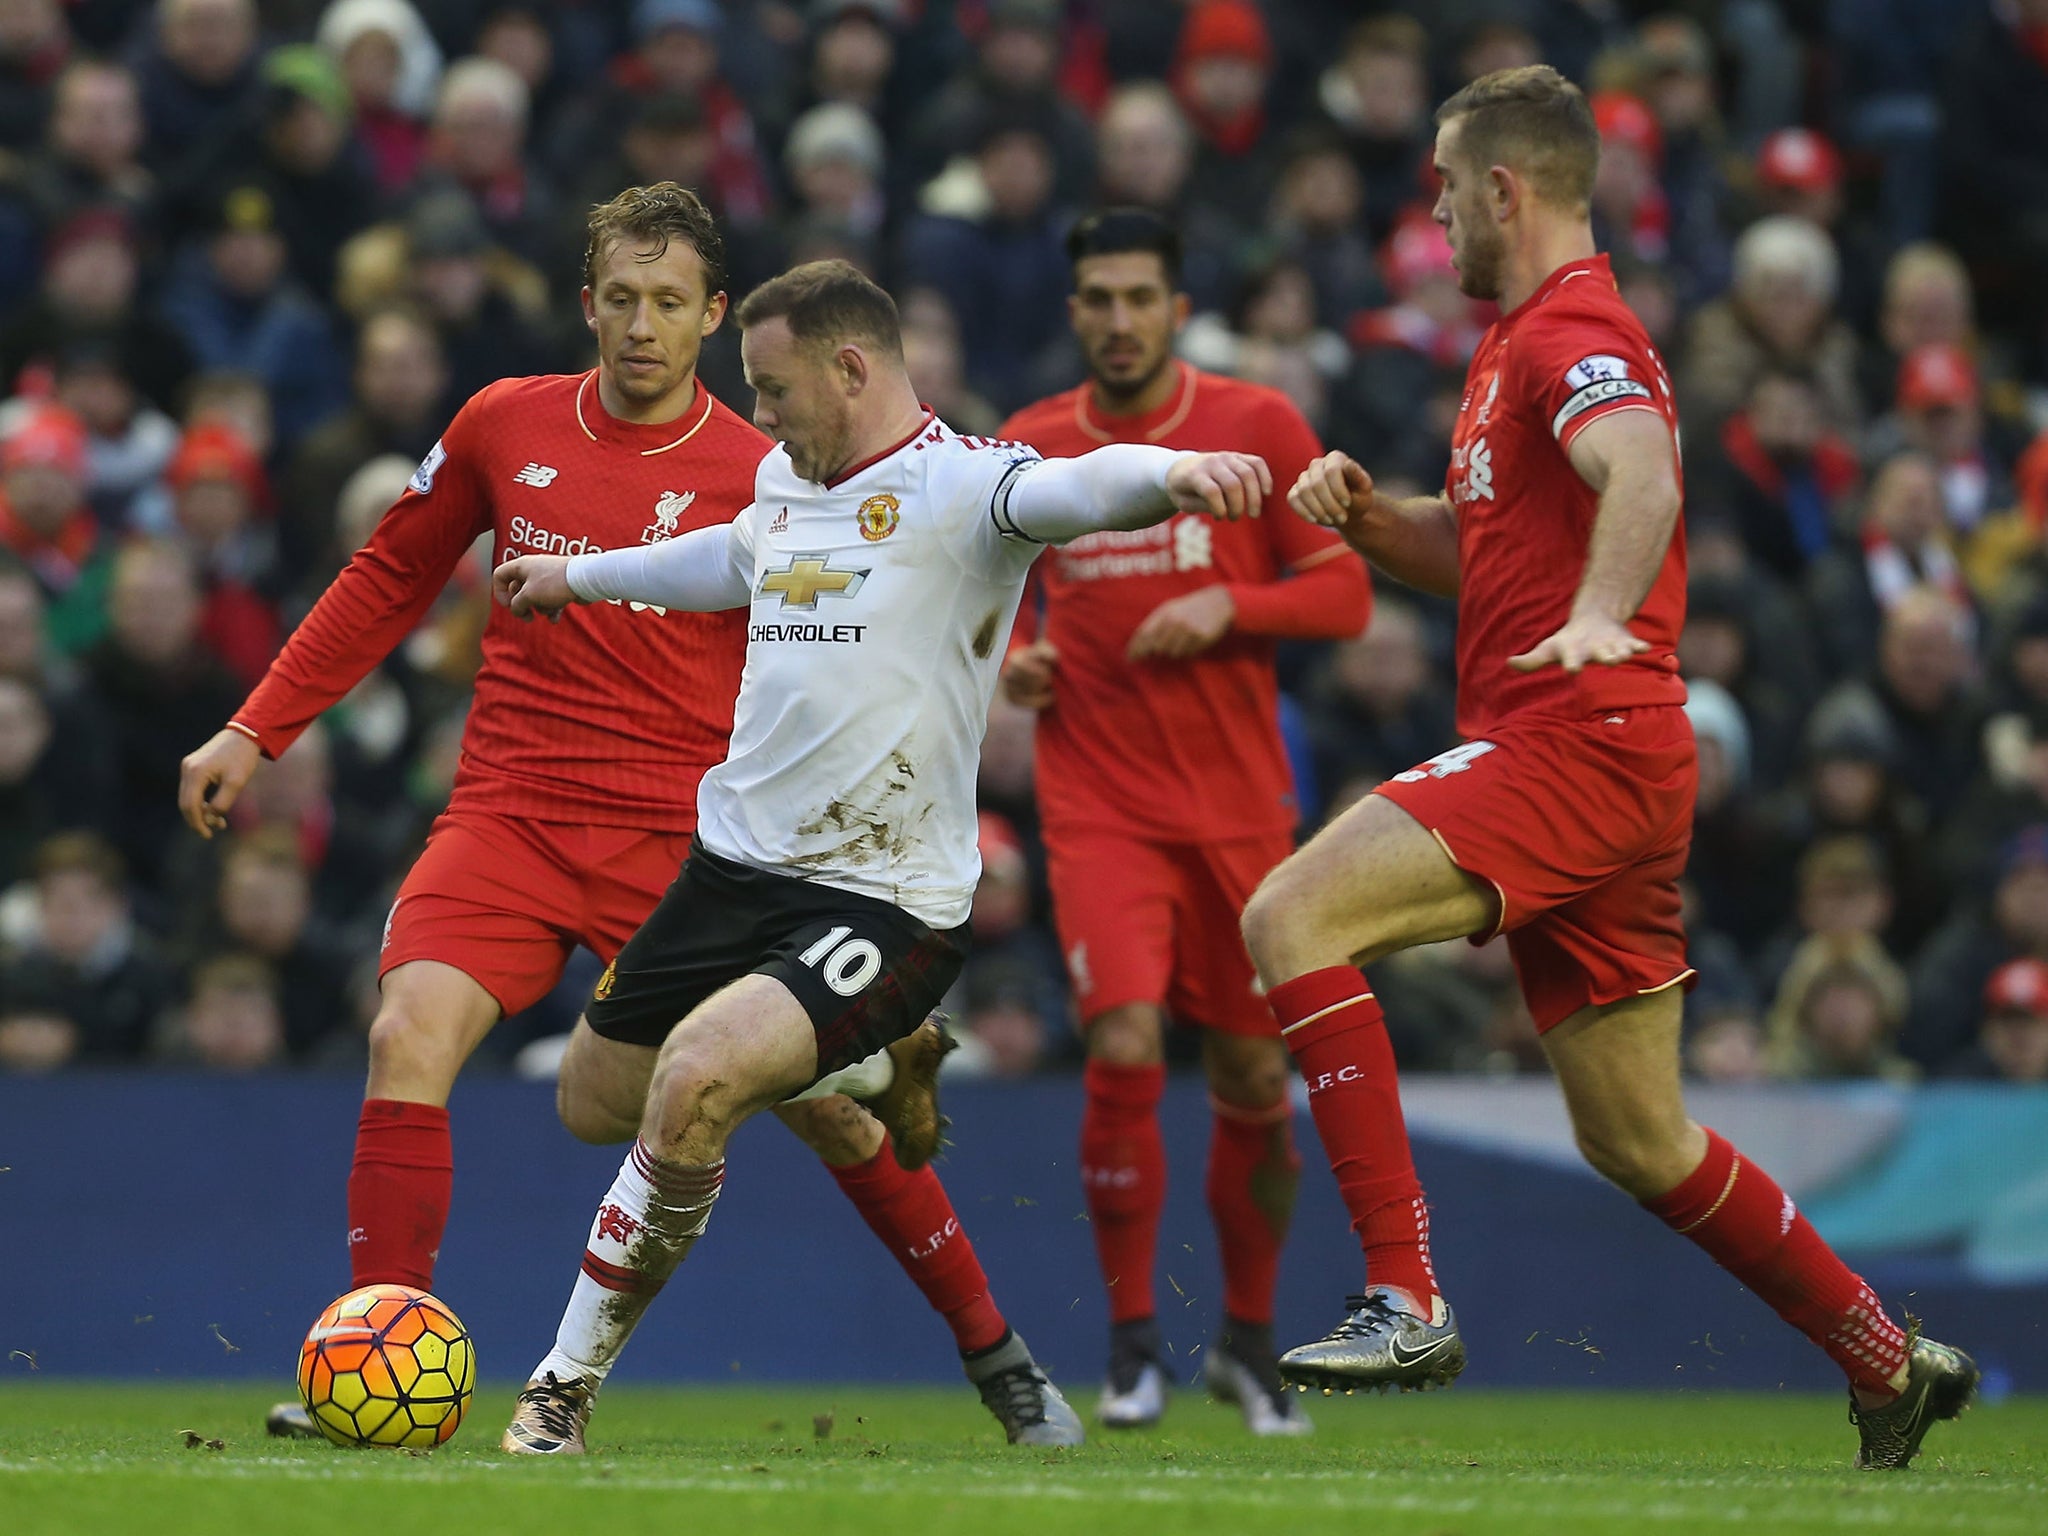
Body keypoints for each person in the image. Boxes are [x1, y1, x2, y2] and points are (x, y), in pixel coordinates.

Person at [175, 185, 1062, 1448]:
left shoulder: (780, 462)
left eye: (670, 304)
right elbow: (389, 575)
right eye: (620, 300)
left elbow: (875, 629)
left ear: (711, 316)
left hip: (693, 842)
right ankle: (377, 1360)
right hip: (511, 813)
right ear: (586, 303)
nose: (641, 327)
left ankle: (1001, 1360)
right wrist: (254, 726)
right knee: (406, 1032)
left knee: (818, 1108)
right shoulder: (502, 424)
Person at [1241, 66, 1977, 1471]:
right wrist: (1373, 525)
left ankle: (1403, 1297)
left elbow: (1641, 475)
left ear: (1503, 190)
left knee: (1291, 917)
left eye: (1448, 189)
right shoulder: (1509, 343)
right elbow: (1487, 557)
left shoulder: (1576, 327)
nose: (1437, 215)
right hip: (1611, 762)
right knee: (1640, 1142)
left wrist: (1603, 611)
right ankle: (1887, 1360)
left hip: (1579, 738)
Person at [490, 257, 1272, 1456]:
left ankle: (559, 1388)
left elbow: (1084, 487)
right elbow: (731, 557)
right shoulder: (785, 480)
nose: (756, 416)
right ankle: (860, 1067)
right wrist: (577, 578)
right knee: (592, 1103)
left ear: (848, 369)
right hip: (731, 866)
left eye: (769, 389)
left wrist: (1173, 473)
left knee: (695, 1078)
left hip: (886, 896)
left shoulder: (967, 490)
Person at [994, 208, 1370, 1435]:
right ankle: (1129, 1349)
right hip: (1097, 803)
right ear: (1073, 313)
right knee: (1120, 1044)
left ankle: (1249, 1346)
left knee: (1256, 1068)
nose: (1116, 321)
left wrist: (1230, 605)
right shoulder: (1032, 447)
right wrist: (1023, 656)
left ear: (1173, 308)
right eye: (1096, 298)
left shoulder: (1255, 425)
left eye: (1137, 297)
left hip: (1237, 810)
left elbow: (1347, 592)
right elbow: (986, 601)